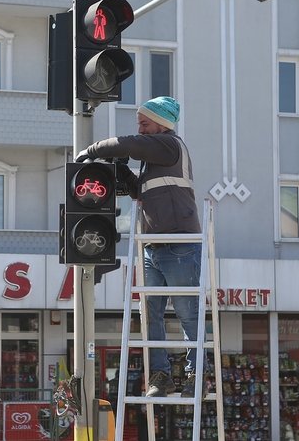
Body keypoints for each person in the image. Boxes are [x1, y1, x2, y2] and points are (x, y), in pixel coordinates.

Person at [75, 96, 201, 398]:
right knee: (151, 313)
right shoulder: (153, 159)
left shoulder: (171, 145)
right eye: (139, 124)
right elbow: (139, 193)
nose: (141, 128)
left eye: (145, 123)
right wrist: (123, 172)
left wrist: (93, 151)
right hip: (153, 246)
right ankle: (161, 376)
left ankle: (196, 375)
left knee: (187, 312)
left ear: (162, 124)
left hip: (179, 242)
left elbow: (129, 143)